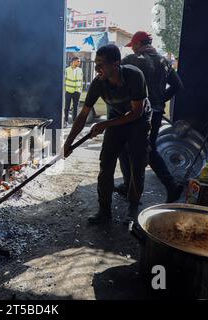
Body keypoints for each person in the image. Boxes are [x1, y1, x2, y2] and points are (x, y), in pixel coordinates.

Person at [63, 44, 152, 224]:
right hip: (116, 120)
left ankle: (133, 209)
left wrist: (105, 124)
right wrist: (68, 143)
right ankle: (104, 211)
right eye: (96, 63)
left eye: (101, 64)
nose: (97, 68)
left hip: (138, 122)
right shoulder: (98, 83)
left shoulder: (134, 76)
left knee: (137, 165)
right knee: (106, 164)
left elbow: (136, 112)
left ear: (116, 64)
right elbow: (82, 115)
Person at [115, 31, 184, 203]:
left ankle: (166, 186)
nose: (133, 50)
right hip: (157, 111)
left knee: (129, 147)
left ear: (138, 44)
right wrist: (161, 99)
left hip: (137, 112)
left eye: (133, 46)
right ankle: (133, 186)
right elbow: (178, 85)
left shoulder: (132, 60)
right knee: (147, 148)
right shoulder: (163, 61)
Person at [64, 57, 83, 125]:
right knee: (67, 107)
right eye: (78, 61)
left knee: (75, 107)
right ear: (73, 62)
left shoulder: (80, 70)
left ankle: (75, 122)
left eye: (79, 61)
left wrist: (80, 90)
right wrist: (65, 89)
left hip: (77, 92)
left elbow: (81, 81)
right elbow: (64, 80)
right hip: (68, 91)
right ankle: (66, 121)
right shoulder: (67, 70)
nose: (79, 62)